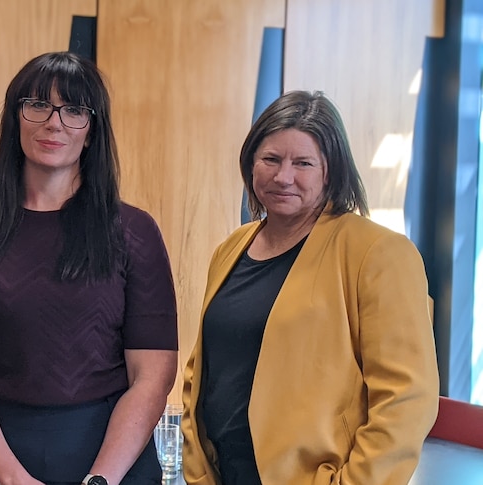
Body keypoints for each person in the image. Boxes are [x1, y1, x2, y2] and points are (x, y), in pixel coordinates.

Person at [0, 52, 178, 485]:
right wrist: (12, 478)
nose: (54, 122)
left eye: (75, 110)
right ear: (16, 119)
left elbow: (152, 376)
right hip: (0, 457)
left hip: (115, 456)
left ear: (92, 131)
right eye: (38, 105)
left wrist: (103, 478)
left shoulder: (134, 232)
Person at [181, 90, 440, 485]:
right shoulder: (231, 248)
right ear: (251, 162)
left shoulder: (378, 253)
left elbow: (406, 399)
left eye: (303, 163)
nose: (283, 176)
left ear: (331, 171)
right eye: (271, 159)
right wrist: (198, 472)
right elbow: (200, 373)